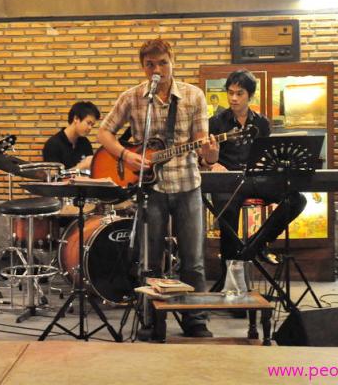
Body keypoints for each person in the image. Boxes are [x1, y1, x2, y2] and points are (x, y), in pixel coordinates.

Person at [98, 38, 219, 338]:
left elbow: (202, 144)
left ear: (172, 62)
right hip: (150, 190)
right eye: (150, 64)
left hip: (188, 185)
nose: (157, 69)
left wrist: (210, 153)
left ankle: (195, 320)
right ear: (143, 67)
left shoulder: (193, 95)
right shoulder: (133, 98)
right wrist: (125, 155)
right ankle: (151, 320)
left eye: (163, 63)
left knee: (193, 260)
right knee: (150, 259)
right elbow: (104, 132)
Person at [207, 69, 306, 289]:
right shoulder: (215, 122)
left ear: (250, 96)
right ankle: (230, 282)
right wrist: (213, 164)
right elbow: (204, 156)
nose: (233, 98)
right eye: (230, 93)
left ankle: (258, 244)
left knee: (297, 199)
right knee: (227, 216)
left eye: (239, 93)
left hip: (257, 178)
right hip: (228, 181)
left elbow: (267, 156)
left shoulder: (262, 123)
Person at [42, 101, 100, 171]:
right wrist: (80, 167)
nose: (90, 128)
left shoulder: (85, 143)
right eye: (88, 123)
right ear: (76, 119)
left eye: (92, 125)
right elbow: (53, 176)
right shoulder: (53, 144)